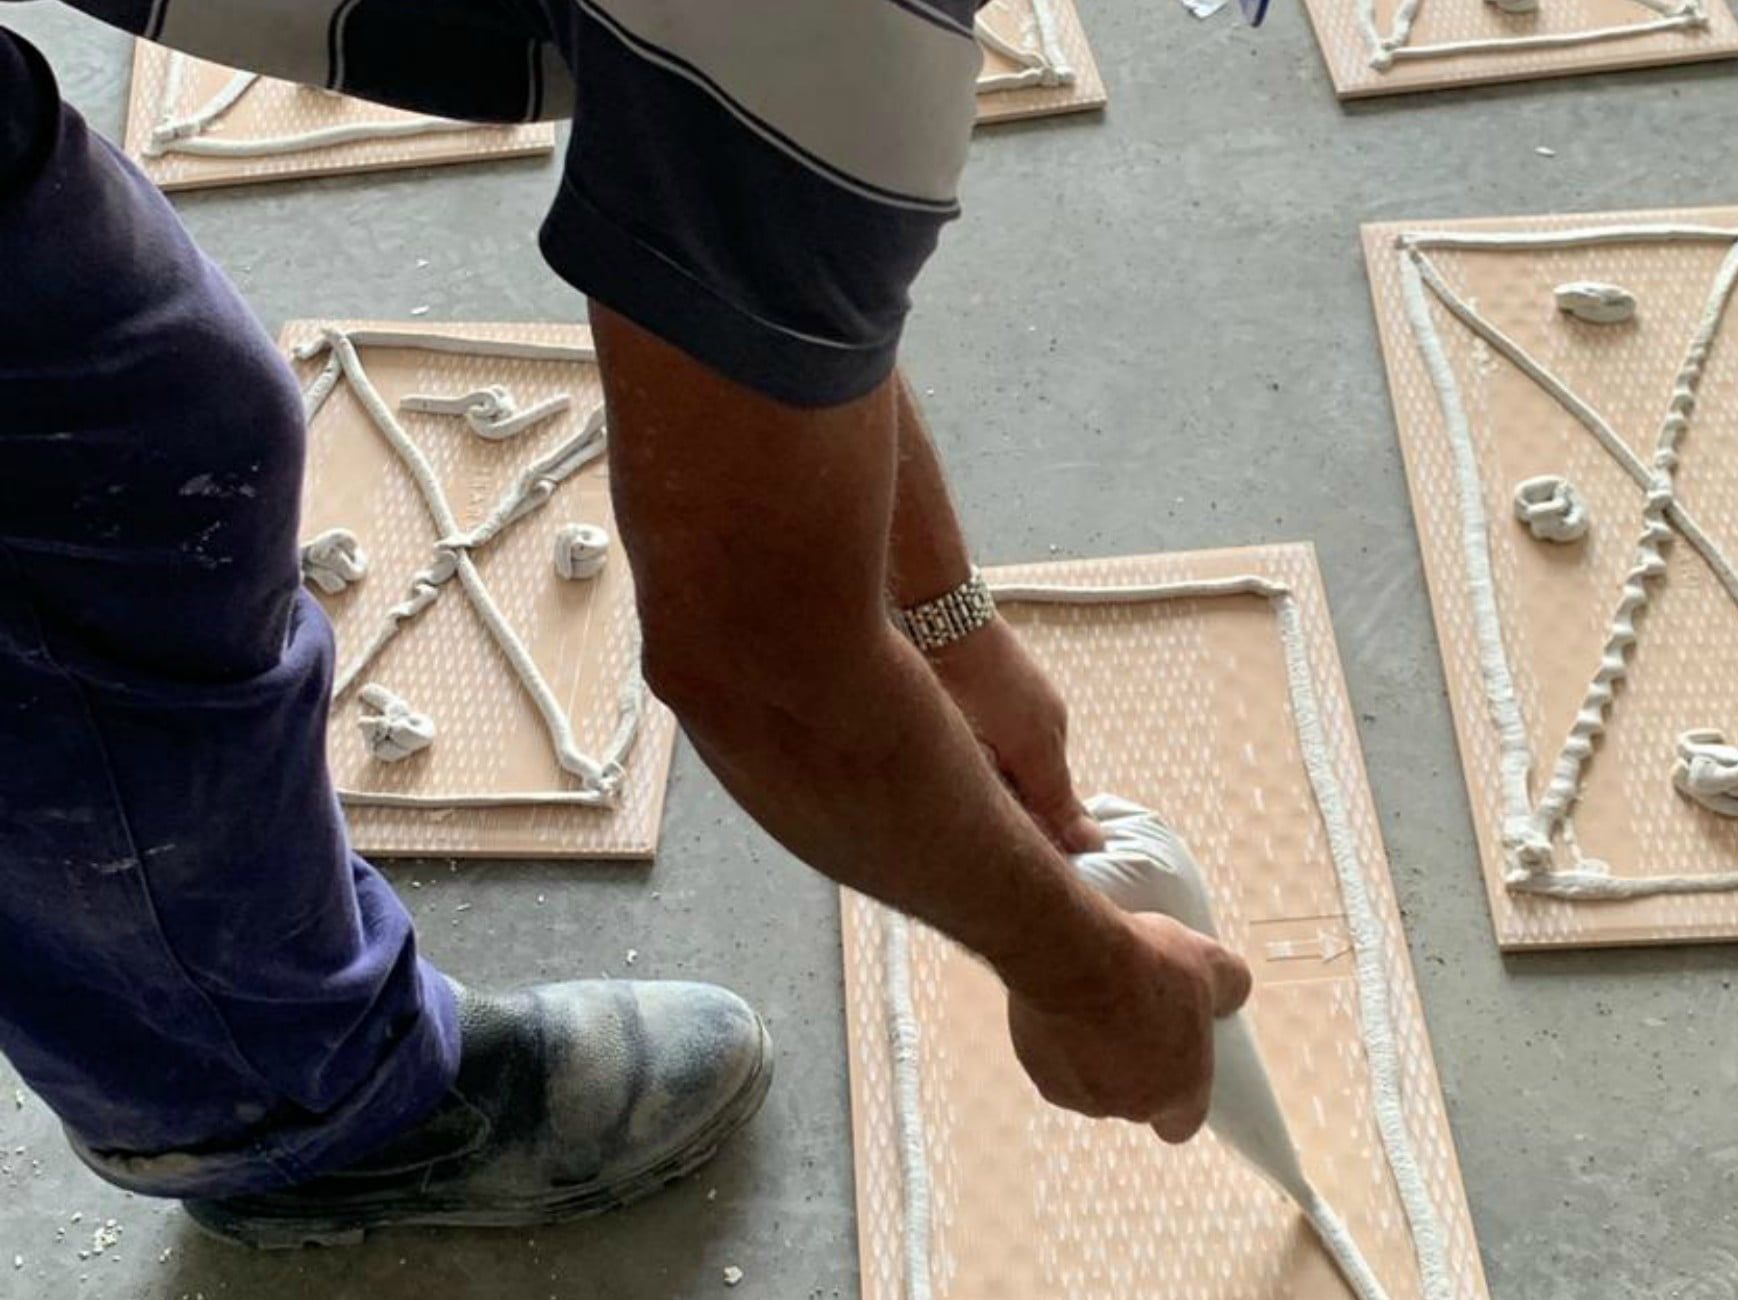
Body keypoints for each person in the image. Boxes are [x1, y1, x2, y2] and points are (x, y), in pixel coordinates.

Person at [0, 0, 1253, 1250]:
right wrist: (1085, 980)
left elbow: (776, 291)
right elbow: (759, 666)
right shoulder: (835, 29)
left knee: (133, 426)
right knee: (81, 494)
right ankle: (283, 1118)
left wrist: (947, 620)